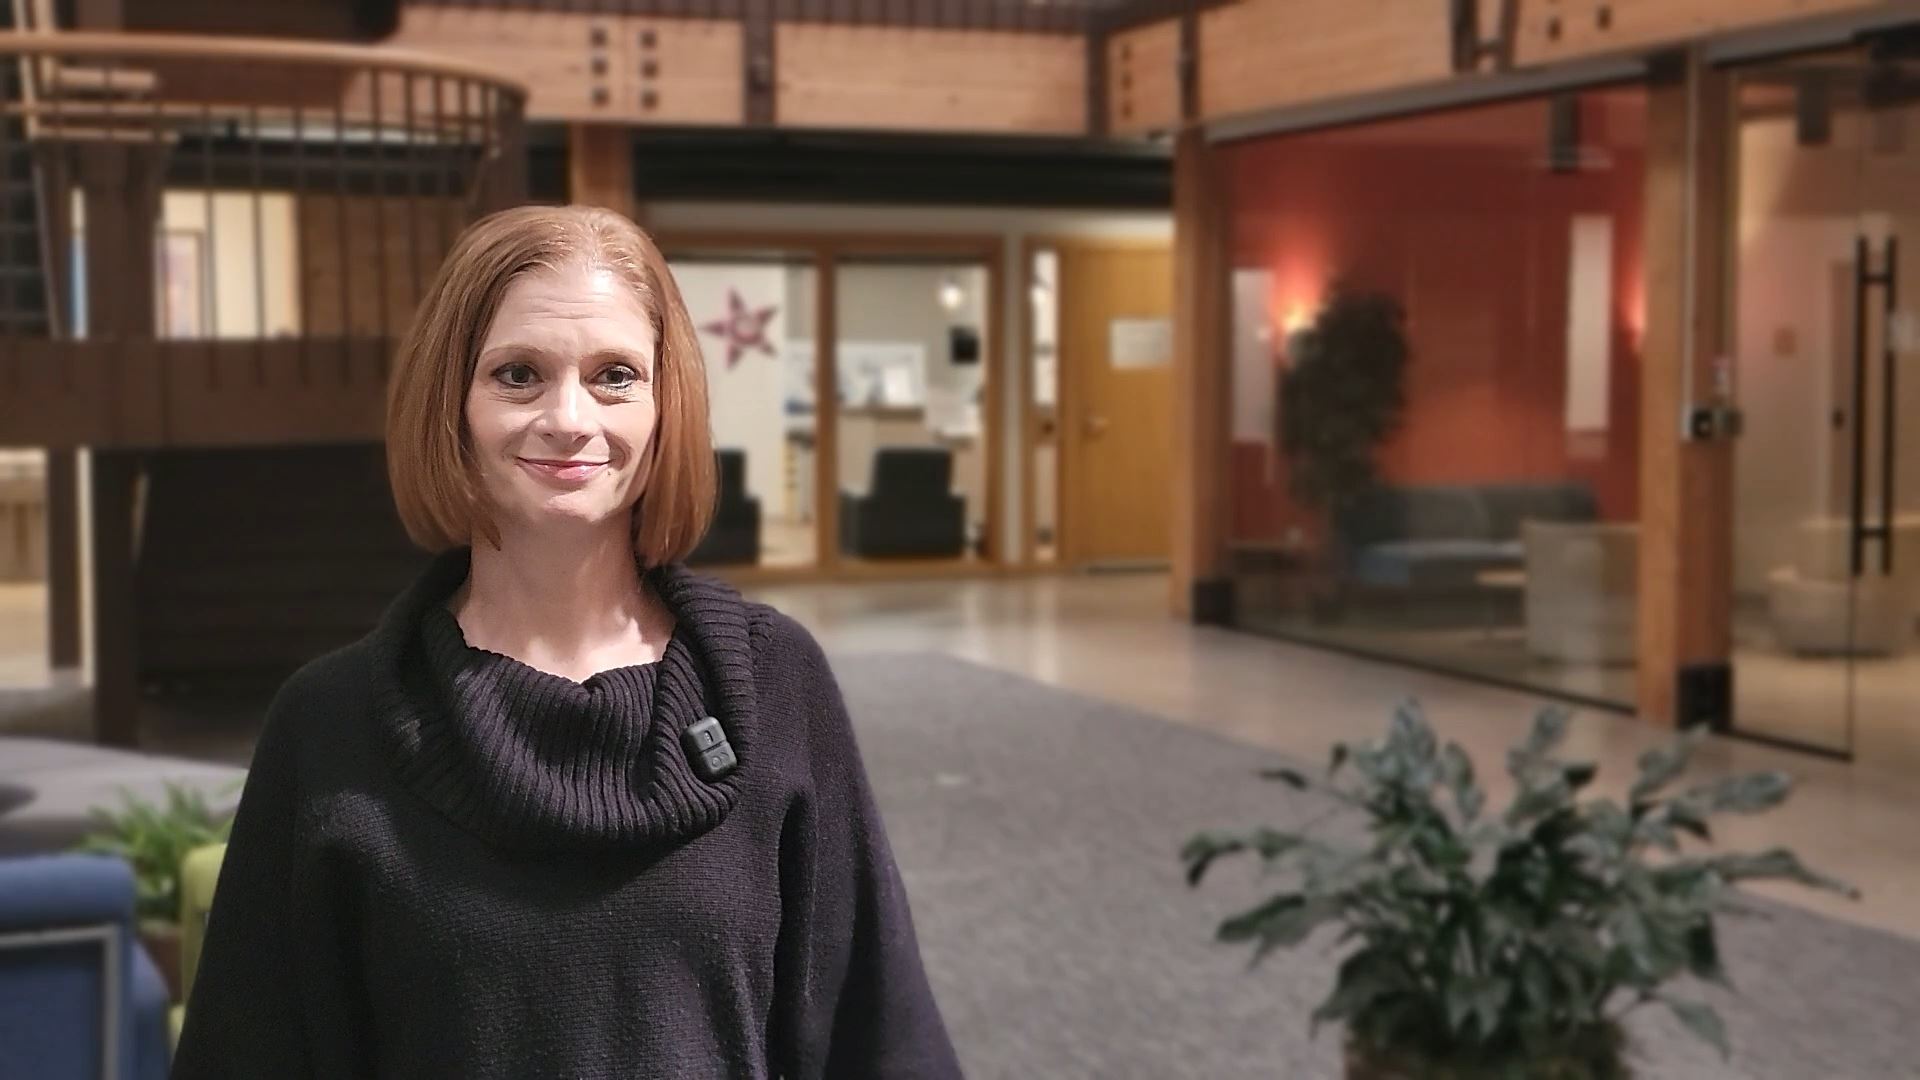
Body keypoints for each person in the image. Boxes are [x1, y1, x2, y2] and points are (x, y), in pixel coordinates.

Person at [170, 205, 962, 1079]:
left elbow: (879, 1040)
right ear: (451, 403)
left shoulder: (778, 682)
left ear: (665, 405)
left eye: (615, 375)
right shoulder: (330, 721)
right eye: (518, 374)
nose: (569, 417)